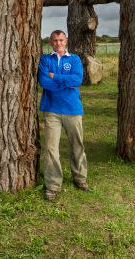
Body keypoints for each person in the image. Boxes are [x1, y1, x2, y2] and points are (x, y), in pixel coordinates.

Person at [38, 29, 90, 201]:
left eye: (61, 40)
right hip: (52, 109)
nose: (58, 43)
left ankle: (80, 178)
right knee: (51, 149)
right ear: (50, 42)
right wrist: (64, 82)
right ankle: (53, 185)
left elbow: (77, 80)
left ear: (66, 41)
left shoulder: (74, 59)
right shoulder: (45, 59)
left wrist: (56, 77)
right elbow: (45, 82)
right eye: (54, 41)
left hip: (73, 109)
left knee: (77, 145)